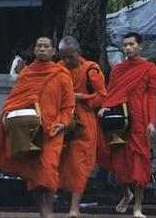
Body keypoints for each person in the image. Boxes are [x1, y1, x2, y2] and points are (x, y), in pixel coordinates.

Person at [0, 37, 75, 218]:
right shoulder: (27, 74)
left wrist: (62, 123)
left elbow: (68, 105)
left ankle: (48, 213)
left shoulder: (61, 74)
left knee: (47, 172)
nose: (42, 49)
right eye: (39, 46)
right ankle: (43, 213)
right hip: (29, 131)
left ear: (54, 51)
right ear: (34, 50)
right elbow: (13, 101)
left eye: (46, 46)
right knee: (33, 176)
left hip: (53, 130)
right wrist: (7, 118)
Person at [98, 32, 156, 218]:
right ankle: (126, 193)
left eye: (132, 44)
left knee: (140, 161)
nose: (128, 48)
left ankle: (138, 207)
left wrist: (151, 121)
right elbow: (112, 92)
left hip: (139, 118)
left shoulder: (149, 68)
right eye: (125, 45)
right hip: (119, 118)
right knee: (118, 161)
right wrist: (105, 107)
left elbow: (151, 96)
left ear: (140, 46)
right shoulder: (118, 69)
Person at [57, 36, 107, 218]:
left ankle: (74, 208)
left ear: (79, 54)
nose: (66, 61)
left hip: (83, 123)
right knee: (61, 162)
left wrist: (81, 97)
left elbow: (102, 97)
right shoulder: (58, 69)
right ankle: (63, 202)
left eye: (70, 57)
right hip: (61, 120)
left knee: (79, 165)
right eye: (63, 57)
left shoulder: (91, 70)